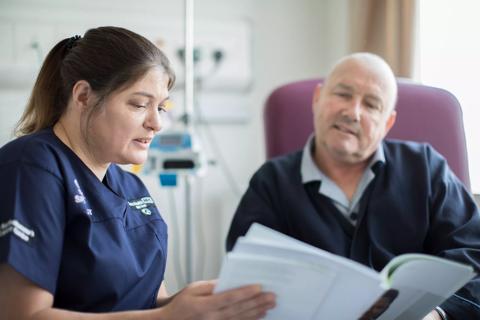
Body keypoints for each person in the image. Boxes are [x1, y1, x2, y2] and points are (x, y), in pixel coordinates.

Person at [0, 26, 275, 320]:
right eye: (140, 104)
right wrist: (168, 317)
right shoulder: (31, 167)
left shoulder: (130, 186)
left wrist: (198, 303)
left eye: (162, 107)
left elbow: (148, 301)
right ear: (83, 96)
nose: (156, 123)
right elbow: (23, 315)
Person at [226, 52, 480, 320]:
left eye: (371, 104)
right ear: (317, 99)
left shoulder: (427, 169)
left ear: (387, 123)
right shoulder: (270, 184)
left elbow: (474, 259)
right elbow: (247, 287)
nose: (353, 112)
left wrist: (436, 316)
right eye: (343, 94)